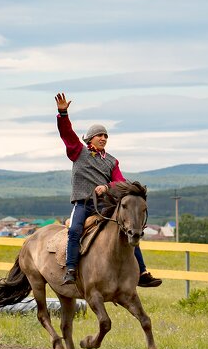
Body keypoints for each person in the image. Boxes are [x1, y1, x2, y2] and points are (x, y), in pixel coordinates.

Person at [55, 93, 161, 289]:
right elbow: (67, 133)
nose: (103, 138)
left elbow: (120, 183)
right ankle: (70, 269)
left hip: (104, 206)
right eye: (99, 135)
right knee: (75, 230)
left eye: (105, 135)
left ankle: (142, 272)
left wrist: (108, 186)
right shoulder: (78, 151)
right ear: (90, 139)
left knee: (126, 230)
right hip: (83, 204)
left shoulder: (112, 161)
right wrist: (63, 113)